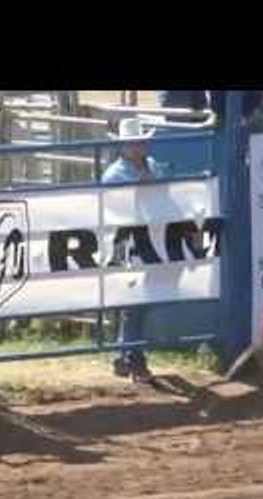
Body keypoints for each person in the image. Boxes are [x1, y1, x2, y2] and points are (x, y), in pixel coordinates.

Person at [102, 118, 169, 382]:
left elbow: (167, 192)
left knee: (142, 302)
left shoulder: (152, 166)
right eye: (133, 142)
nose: (138, 146)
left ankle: (125, 353)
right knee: (135, 301)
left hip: (154, 241)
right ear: (123, 146)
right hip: (128, 243)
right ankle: (133, 358)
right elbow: (116, 207)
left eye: (140, 141)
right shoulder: (114, 175)